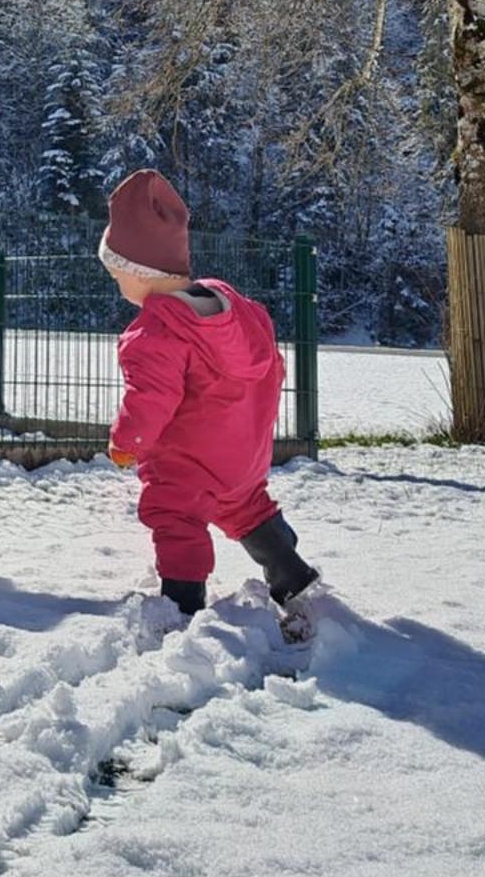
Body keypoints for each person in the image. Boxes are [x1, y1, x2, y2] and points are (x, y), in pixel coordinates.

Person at [98, 169, 321, 638]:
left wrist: (127, 442)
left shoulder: (155, 331)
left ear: (140, 272)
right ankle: (291, 574)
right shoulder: (230, 306)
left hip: (189, 457)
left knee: (174, 513)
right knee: (248, 508)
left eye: (117, 274)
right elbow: (269, 366)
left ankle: (182, 601)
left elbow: (152, 398)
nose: (118, 284)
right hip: (245, 452)